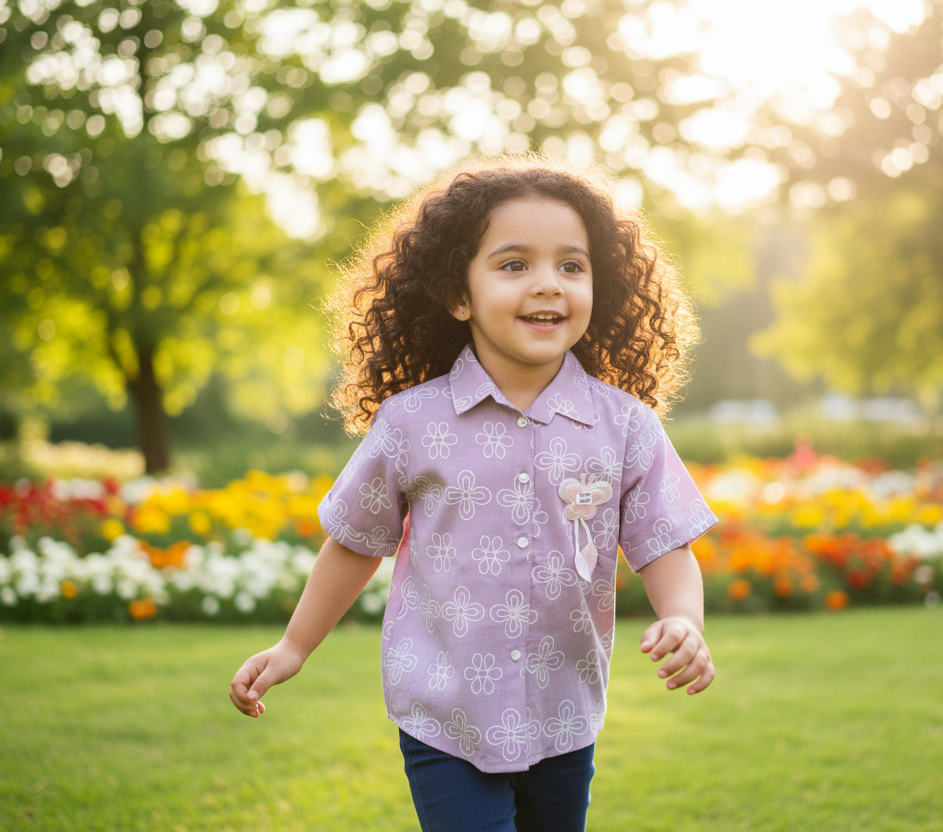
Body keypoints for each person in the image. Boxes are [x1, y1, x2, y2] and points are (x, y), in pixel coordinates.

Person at [229, 157, 718, 832]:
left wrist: (683, 620)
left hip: (563, 714)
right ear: (459, 295)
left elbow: (664, 544)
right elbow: (354, 542)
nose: (548, 283)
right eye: (514, 265)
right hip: (443, 714)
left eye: (571, 266)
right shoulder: (409, 424)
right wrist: (293, 647)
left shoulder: (625, 425)